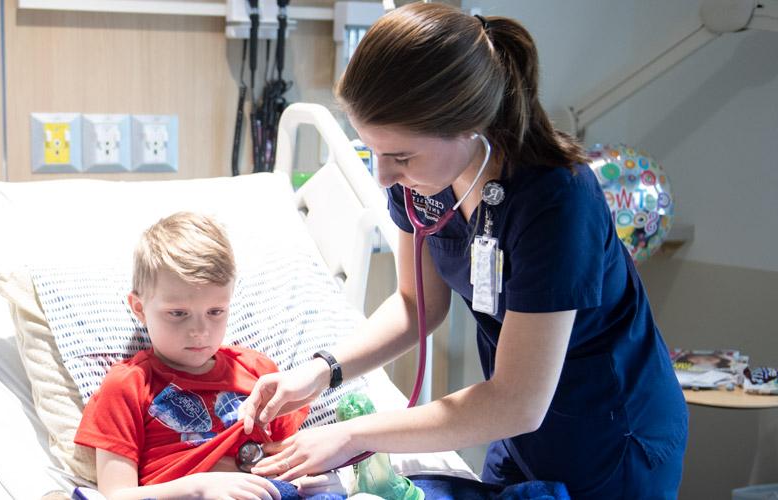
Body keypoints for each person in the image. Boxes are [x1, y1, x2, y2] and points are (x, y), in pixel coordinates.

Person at [235, 3, 688, 498]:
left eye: (400, 156)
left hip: (610, 437)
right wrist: (319, 373)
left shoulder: (556, 201)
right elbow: (415, 306)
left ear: (471, 126)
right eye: (372, 152)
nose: (383, 176)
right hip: (516, 431)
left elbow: (518, 400)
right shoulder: (422, 183)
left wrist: (352, 435)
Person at [74, 212, 312, 500]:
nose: (200, 331)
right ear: (139, 309)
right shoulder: (128, 386)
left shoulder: (258, 373)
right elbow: (116, 495)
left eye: (215, 312)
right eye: (178, 313)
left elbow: (293, 460)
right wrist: (198, 487)